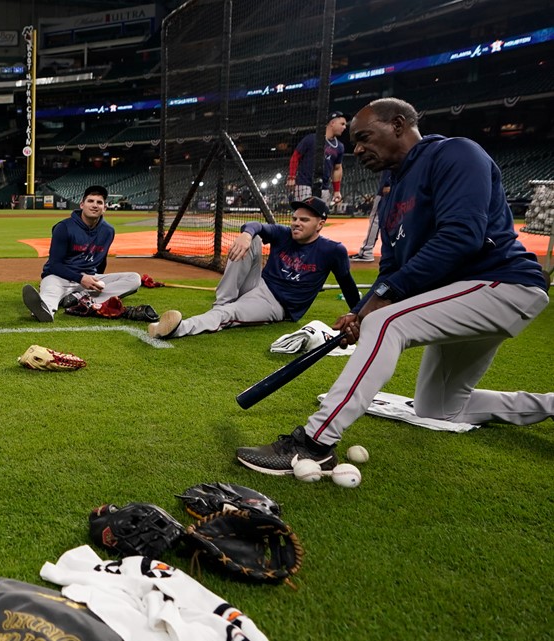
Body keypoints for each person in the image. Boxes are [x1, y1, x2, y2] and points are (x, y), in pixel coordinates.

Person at [236, 98, 553, 476]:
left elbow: (461, 237)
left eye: (365, 137)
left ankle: (314, 443)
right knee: (438, 407)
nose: (356, 150)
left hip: (503, 283)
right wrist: (361, 309)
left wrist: (379, 306)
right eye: (354, 142)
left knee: (386, 323)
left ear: (399, 125)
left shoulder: (456, 153)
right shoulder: (392, 189)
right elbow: (392, 267)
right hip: (467, 295)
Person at [148, 197, 360, 339]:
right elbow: (255, 225)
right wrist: (246, 235)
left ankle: (177, 329)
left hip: (277, 305)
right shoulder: (284, 233)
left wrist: (358, 314)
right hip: (259, 284)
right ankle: (222, 302)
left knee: (227, 313)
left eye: (304, 220)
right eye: (295, 218)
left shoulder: (332, 250)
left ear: (320, 224)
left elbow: (348, 285)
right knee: (253, 238)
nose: (296, 223)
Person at [22, 185, 142, 322]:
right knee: (50, 291)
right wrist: (80, 278)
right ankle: (45, 309)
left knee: (134, 279)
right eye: (90, 201)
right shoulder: (64, 227)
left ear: (105, 208)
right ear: (82, 205)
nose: (94, 205)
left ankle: (79, 298)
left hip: (88, 280)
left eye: (99, 202)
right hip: (59, 277)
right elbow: (54, 265)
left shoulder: (108, 231)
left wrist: (98, 280)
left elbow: (101, 259)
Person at [285, 112, 347, 206]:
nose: (345, 127)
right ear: (332, 123)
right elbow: (295, 157)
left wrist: (337, 191)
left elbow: (337, 168)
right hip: (305, 184)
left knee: (320, 217)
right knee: (304, 214)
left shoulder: (340, 147)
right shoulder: (311, 139)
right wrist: (292, 177)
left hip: (324, 187)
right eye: (342, 124)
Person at [349, 171, 392, 262]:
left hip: (387, 188)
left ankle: (366, 252)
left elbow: (390, 165)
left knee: (375, 219)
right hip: (398, 187)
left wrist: (387, 183)